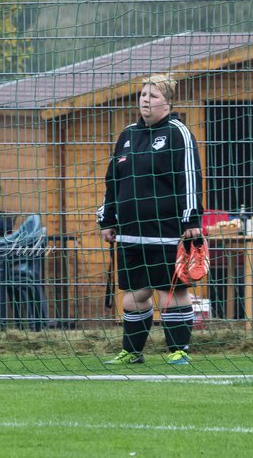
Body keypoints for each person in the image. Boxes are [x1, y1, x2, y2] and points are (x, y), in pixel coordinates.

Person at [98, 73, 204, 366]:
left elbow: (190, 178)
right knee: (133, 296)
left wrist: (192, 220)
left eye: (153, 96)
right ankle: (132, 351)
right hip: (130, 234)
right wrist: (107, 220)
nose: (146, 100)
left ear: (168, 103)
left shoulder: (178, 133)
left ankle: (178, 350)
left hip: (167, 232)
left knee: (170, 293)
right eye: (143, 94)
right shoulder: (128, 134)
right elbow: (112, 181)